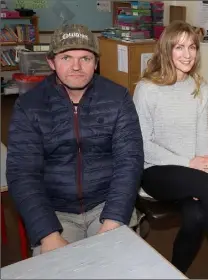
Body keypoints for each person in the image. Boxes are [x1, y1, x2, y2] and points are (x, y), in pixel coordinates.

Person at [6, 24, 144, 256]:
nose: (76, 67)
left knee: (125, 266)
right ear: (51, 62)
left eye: (85, 58)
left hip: (108, 204)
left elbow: (129, 161)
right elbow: (22, 173)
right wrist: (48, 234)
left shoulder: (118, 97)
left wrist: (113, 220)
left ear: (96, 62)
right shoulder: (29, 105)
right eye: (67, 57)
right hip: (54, 212)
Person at [132, 21, 208, 279]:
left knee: (196, 216)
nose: (187, 54)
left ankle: (174, 273)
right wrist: (192, 167)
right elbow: (143, 145)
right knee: (207, 187)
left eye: (192, 47)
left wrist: (203, 170)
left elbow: (202, 137)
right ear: (166, 50)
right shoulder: (147, 89)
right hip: (154, 171)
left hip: (188, 173)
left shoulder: (199, 88)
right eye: (179, 47)